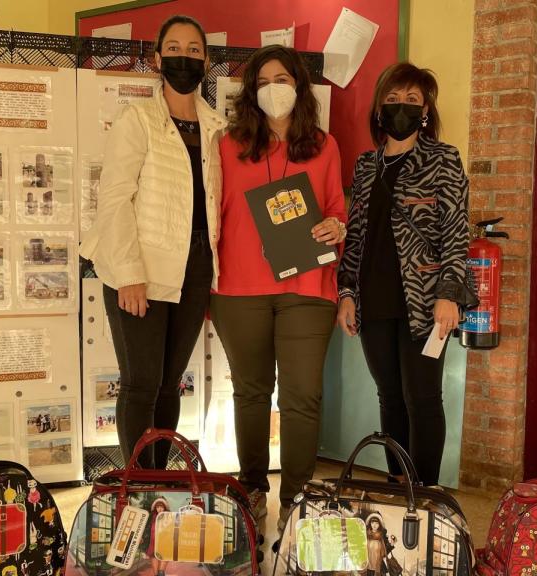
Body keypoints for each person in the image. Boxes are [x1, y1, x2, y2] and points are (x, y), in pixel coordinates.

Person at [211, 45, 346, 534]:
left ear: (299, 86)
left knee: (302, 396)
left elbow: (336, 208)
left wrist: (336, 226)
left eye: (283, 79)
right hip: (238, 287)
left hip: (307, 286)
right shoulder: (226, 145)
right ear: (250, 92)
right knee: (250, 393)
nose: (274, 89)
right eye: (264, 81)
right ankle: (251, 490)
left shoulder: (324, 146)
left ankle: (296, 499)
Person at [80, 14, 226, 468]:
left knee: (168, 384)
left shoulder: (216, 126)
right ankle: (139, 484)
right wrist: (128, 275)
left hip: (195, 265)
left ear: (207, 61)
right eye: (175, 49)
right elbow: (115, 200)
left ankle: (160, 479)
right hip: (141, 265)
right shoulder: (137, 119)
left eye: (194, 50)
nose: (185, 57)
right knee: (141, 382)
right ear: (157, 59)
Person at [337, 62, 471, 486]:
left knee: (423, 398)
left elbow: (456, 231)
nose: (402, 106)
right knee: (390, 396)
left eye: (412, 99)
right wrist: (346, 293)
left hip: (425, 300)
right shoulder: (366, 165)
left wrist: (449, 293)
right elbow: (356, 235)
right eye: (393, 99)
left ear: (425, 110)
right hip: (374, 297)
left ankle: (424, 492)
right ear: (379, 108)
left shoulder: (443, 159)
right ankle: (399, 487)